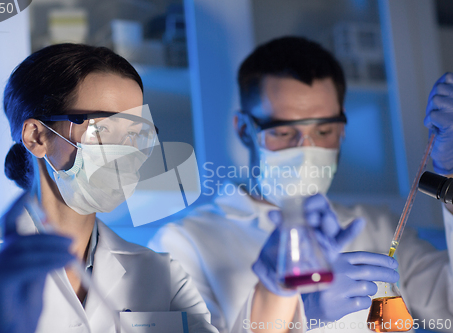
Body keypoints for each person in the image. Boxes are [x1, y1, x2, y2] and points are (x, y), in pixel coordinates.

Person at [149, 36, 453, 333]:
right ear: (244, 130)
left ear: (343, 130)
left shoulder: (376, 227)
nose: (307, 151)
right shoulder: (180, 247)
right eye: (283, 132)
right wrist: (303, 313)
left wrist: (450, 171)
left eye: (324, 131)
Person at [0, 43, 222, 333]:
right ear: (37, 136)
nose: (125, 151)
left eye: (135, 133)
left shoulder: (162, 274)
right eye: (103, 129)